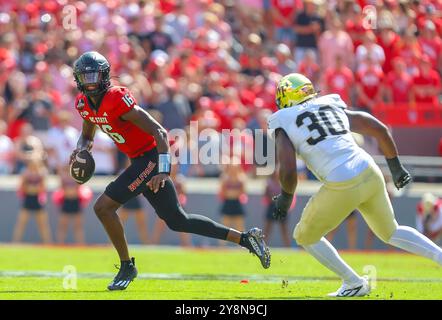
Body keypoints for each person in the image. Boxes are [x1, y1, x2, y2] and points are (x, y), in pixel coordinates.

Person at [70, 51, 270, 291]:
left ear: (104, 76)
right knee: (177, 220)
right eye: (85, 76)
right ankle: (247, 239)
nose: (90, 81)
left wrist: (164, 169)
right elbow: (86, 135)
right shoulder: (83, 104)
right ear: (78, 79)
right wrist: (81, 150)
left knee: (103, 207)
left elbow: (160, 132)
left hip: (152, 158)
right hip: (139, 161)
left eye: (94, 75)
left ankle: (126, 266)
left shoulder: (116, 98)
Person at [268, 73, 442, 297]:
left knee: (305, 236)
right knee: (391, 231)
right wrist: (396, 167)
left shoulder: (283, 119)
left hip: (341, 179)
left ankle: (353, 282)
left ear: (284, 97)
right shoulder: (330, 104)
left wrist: (285, 199)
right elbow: (379, 128)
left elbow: (289, 169)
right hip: (368, 169)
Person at [12, 158, 52, 244]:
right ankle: (15, 243)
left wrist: (32, 189)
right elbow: (22, 187)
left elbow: (43, 188)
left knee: (43, 224)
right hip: (28, 199)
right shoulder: (25, 174)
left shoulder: (42, 174)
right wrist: (32, 189)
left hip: (38, 200)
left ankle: (47, 244)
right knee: (21, 223)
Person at [54, 164, 91, 244]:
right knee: (63, 225)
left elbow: (78, 189)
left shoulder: (77, 177)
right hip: (66, 201)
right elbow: (62, 189)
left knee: (78, 226)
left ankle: (81, 245)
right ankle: (60, 244)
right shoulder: (63, 178)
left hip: (76, 201)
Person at [263, 170, 292, 247]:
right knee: (267, 229)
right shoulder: (269, 182)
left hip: (282, 207)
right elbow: (267, 194)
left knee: (284, 229)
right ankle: (262, 246)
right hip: (272, 206)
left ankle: (288, 247)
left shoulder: (285, 183)